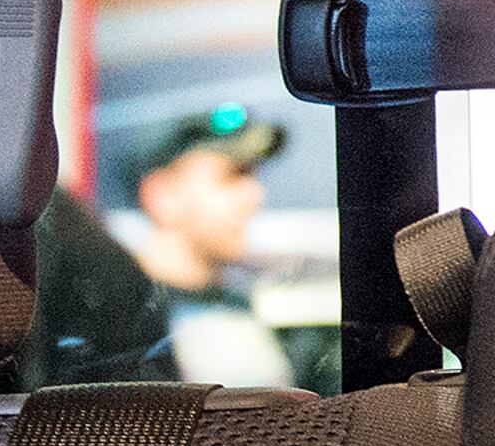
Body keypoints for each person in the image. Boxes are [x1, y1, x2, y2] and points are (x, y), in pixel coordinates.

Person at [114, 104, 340, 389]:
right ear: (163, 195)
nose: (255, 195)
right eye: (233, 176)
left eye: (253, 175)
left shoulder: (240, 303)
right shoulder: (121, 322)